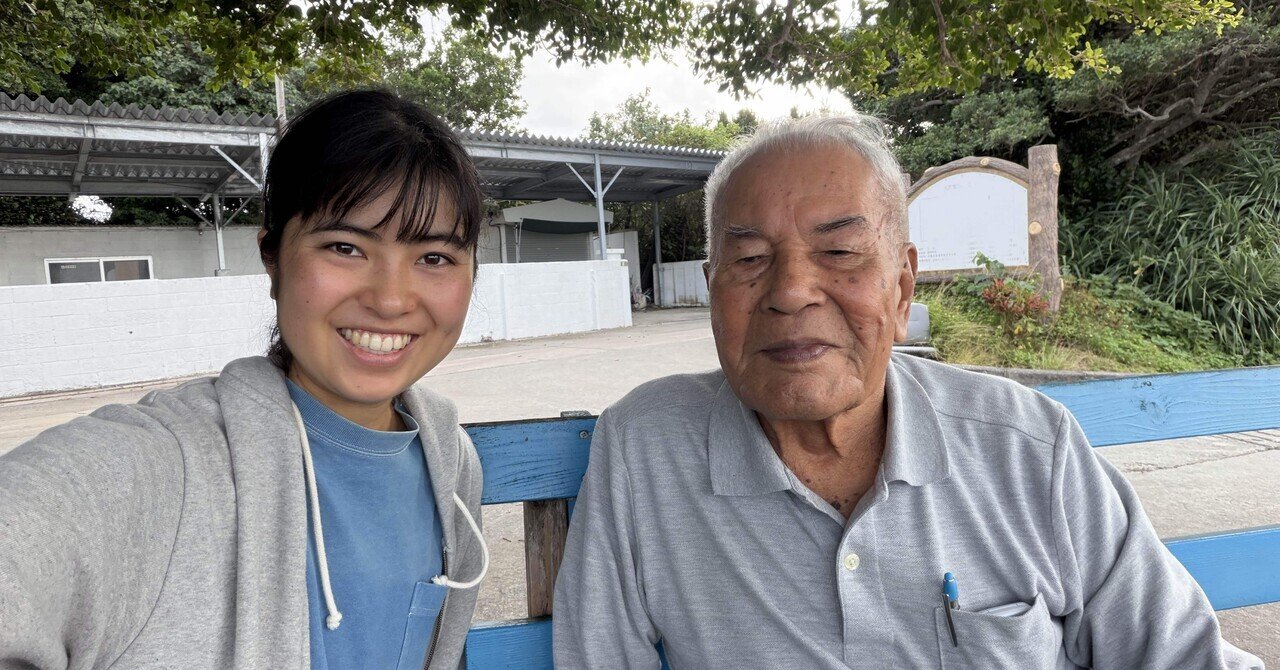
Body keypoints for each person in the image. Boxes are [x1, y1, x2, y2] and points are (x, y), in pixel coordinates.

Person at [552, 114, 1264, 669]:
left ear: (901, 285)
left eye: (839, 253)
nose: (792, 291)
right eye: (749, 259)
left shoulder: (1028, 448)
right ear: (712, 291)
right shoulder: (645, 451)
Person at [0, 89, 488, 670]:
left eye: (434, 258)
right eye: (345, 247)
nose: (389, 299)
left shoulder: (451, 463)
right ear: (272, 259)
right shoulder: (164, 463)